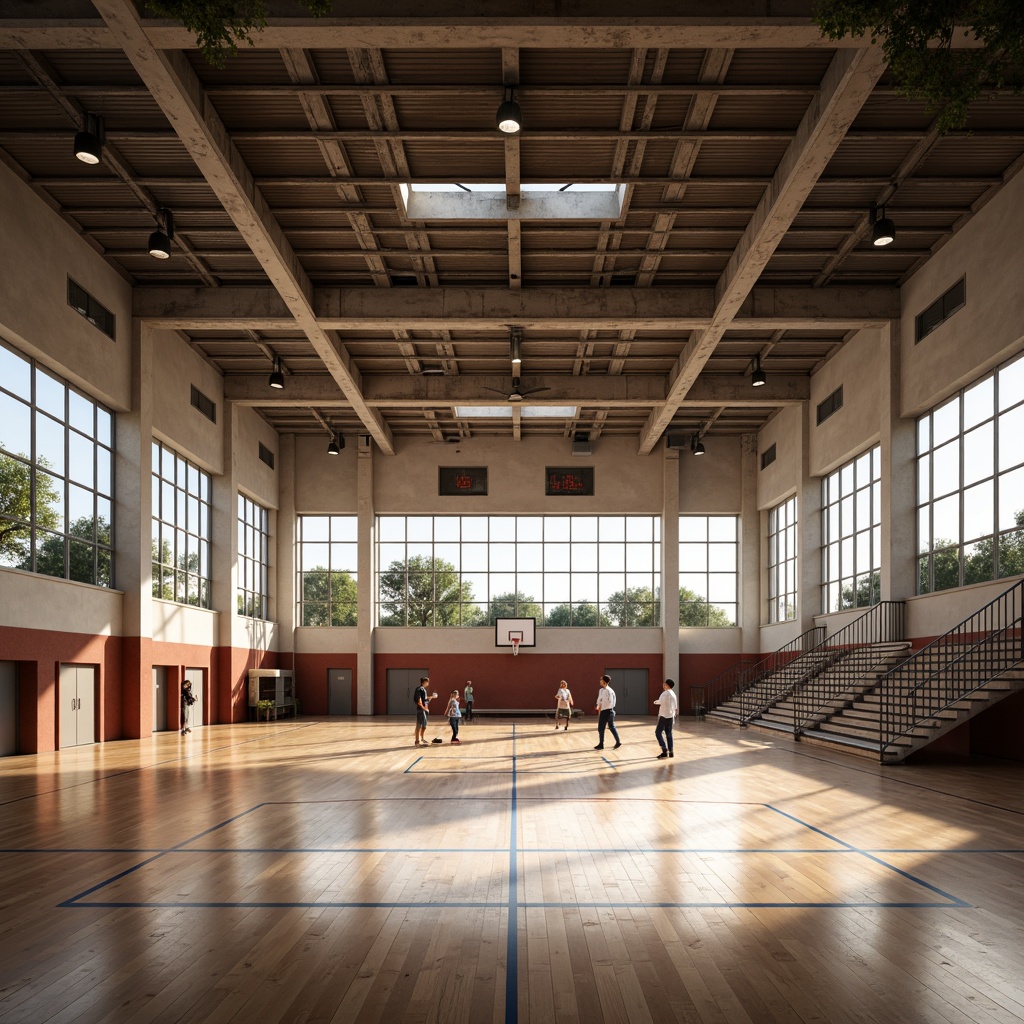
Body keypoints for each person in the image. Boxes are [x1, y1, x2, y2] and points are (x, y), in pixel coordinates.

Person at [594, 674, 621, 750]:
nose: (600, 681)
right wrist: (598, 706)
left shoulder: (609, 691)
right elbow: (599, 700)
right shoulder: (601, 690)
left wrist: (604, 707)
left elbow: (611, 703)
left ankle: (616, 742)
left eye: (601, 680)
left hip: (608, 711)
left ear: (604, 681)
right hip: (603, 711)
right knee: (603, 728)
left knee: (608, 727)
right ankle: (602, 743)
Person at [653, 678, 678, 758]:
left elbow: (661, 701)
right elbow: (675, 707)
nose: (663, 685)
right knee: (669, 733)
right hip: (670, 716)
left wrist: (655, 702)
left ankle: (664, 749)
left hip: (664, 715)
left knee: (658, 732)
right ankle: (671, 751)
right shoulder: (673, 694)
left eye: (664, 684)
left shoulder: (665, 693)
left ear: (667, 685)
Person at [413, 676, 437, 746]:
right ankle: (417, 741)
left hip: (424, 710)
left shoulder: (424, 690)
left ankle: (422, 738)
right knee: (419, 725)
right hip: (421, 710)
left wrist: (432, 697)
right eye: (427, 682)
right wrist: (424, 708)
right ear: (423, 682)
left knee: (424, 725)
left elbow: (425, 699)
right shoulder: (419, 689)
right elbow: (419, 700)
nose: (428, 683)